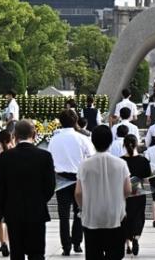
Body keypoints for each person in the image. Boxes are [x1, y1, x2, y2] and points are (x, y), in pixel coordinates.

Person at [0, 120, 55, 260]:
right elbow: (50, 186)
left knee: (16, 253)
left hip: (13, 213)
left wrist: (1, 211)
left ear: (14, 135)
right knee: (37, 253)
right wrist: (38, 200)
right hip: (37, 212)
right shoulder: (44, 156)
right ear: (34, 134)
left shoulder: (6, 157)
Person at [75, 125, 132, 260]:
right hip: (115, 217)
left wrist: (82, 208)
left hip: (92, 218)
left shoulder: (84, 164)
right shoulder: (121, 163)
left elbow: (78, 193)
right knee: (115, 255)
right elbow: (128, 190)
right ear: (110, 141)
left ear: (93, 141)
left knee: (94, 255)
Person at [48, 110, 95, 256]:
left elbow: (50, 160)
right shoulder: (82, 138)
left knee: (63, 215)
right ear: (75, 121)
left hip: (61, 179)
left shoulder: (54, 140)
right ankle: (77, 243)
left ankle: (66, 246)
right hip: (79, 179)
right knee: (79, 212)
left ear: (60, 122)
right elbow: (91, 158)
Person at [121, 135, 152, 256]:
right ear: (137, 144)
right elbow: (146, 179)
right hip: (139, 193)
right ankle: (136, 238)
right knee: (138, 217)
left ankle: (128, 244)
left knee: (125, 218)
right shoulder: (143, 161)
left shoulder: (120, 161)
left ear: (124, 145)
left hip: (124, 194)